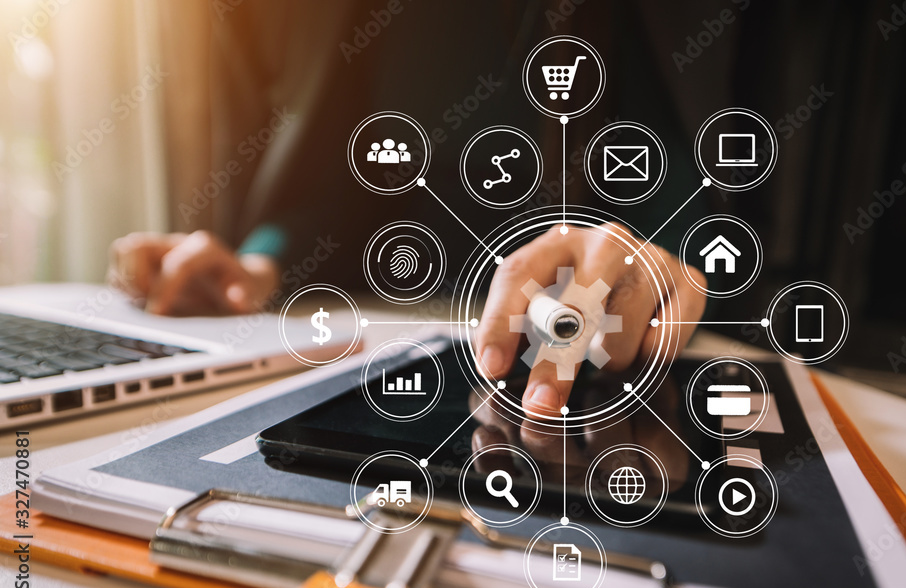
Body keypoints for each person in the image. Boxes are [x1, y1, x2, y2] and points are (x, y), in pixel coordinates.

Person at [107, 1, 709, 414]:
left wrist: (660, 260)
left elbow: (681, 175)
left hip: (578, 329)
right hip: (372, 316)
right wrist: (260, 264)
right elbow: (322, 181)